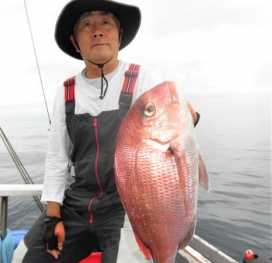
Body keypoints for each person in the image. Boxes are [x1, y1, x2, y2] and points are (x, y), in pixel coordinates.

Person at [12, 0, 199, 262]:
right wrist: (53, 216)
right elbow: (57, 157)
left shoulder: (145, 79)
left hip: (126, 207)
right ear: (76, 42)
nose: (97, 31)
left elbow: (173, 132)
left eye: (106, 22)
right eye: (87, 25)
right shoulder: (66, 92)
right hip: (76, 205)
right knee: (23, 258)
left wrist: (191, 120)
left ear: (119, 35)